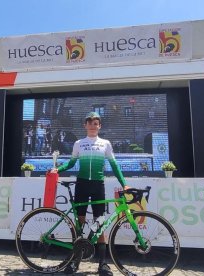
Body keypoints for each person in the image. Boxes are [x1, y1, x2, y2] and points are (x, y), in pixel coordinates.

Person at [51, 112, 127, 276]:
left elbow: (114, 165)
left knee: (99, 224)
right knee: (80, 223)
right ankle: (75, 262)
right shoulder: (79, 143)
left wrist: (124, 184)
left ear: (99, 126)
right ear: (85, 125)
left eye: (96, 123)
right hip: (82, 184)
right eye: (90, 122)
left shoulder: (105, 143)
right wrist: (59, 169)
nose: (93, 125)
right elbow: (71, 163)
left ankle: (102, 265)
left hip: (98, 185)